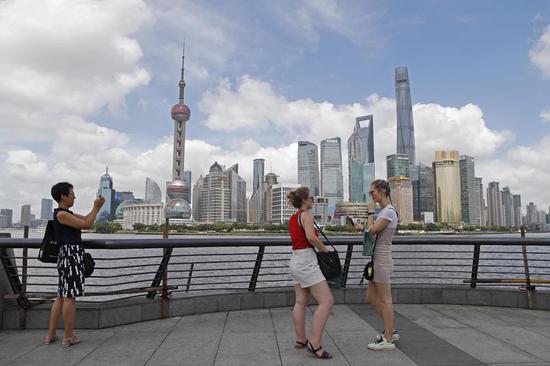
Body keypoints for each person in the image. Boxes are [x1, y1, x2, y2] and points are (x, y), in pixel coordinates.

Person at [44, 182, 104, 347]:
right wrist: (97, 207)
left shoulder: (63, 213)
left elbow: (85, 218)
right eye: (72, 193)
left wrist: (94, 208)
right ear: (63, 196)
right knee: (69, 296)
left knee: (61, 296)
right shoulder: (62, 215)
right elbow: (87, 224)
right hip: (71, 256)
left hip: (66, 256)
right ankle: (68, 337)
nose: (74, 196)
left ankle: (51, 335)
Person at [287, 187, 334, 359]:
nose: (312, 200)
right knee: (327, 301)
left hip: (295, 260)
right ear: (305, 200)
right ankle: (315, 343)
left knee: (300, 301)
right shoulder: (306, 215)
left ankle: (301, 339)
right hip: (306, 261)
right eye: (311, 198)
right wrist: (325, 251)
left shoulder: (294, 217)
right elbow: (311, 237)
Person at [352, 179, 399, 351]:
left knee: (386, 300)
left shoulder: (389, 212)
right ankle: (390, 330)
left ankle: (388, 339)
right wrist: (361, 227)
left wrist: (370, 211)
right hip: (376, 259)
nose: (371, 195)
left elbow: (372, 231)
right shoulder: (385, 212)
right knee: (371, 298)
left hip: (382, 259)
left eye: (372, 192)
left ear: (381, 190)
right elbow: (371, 232)